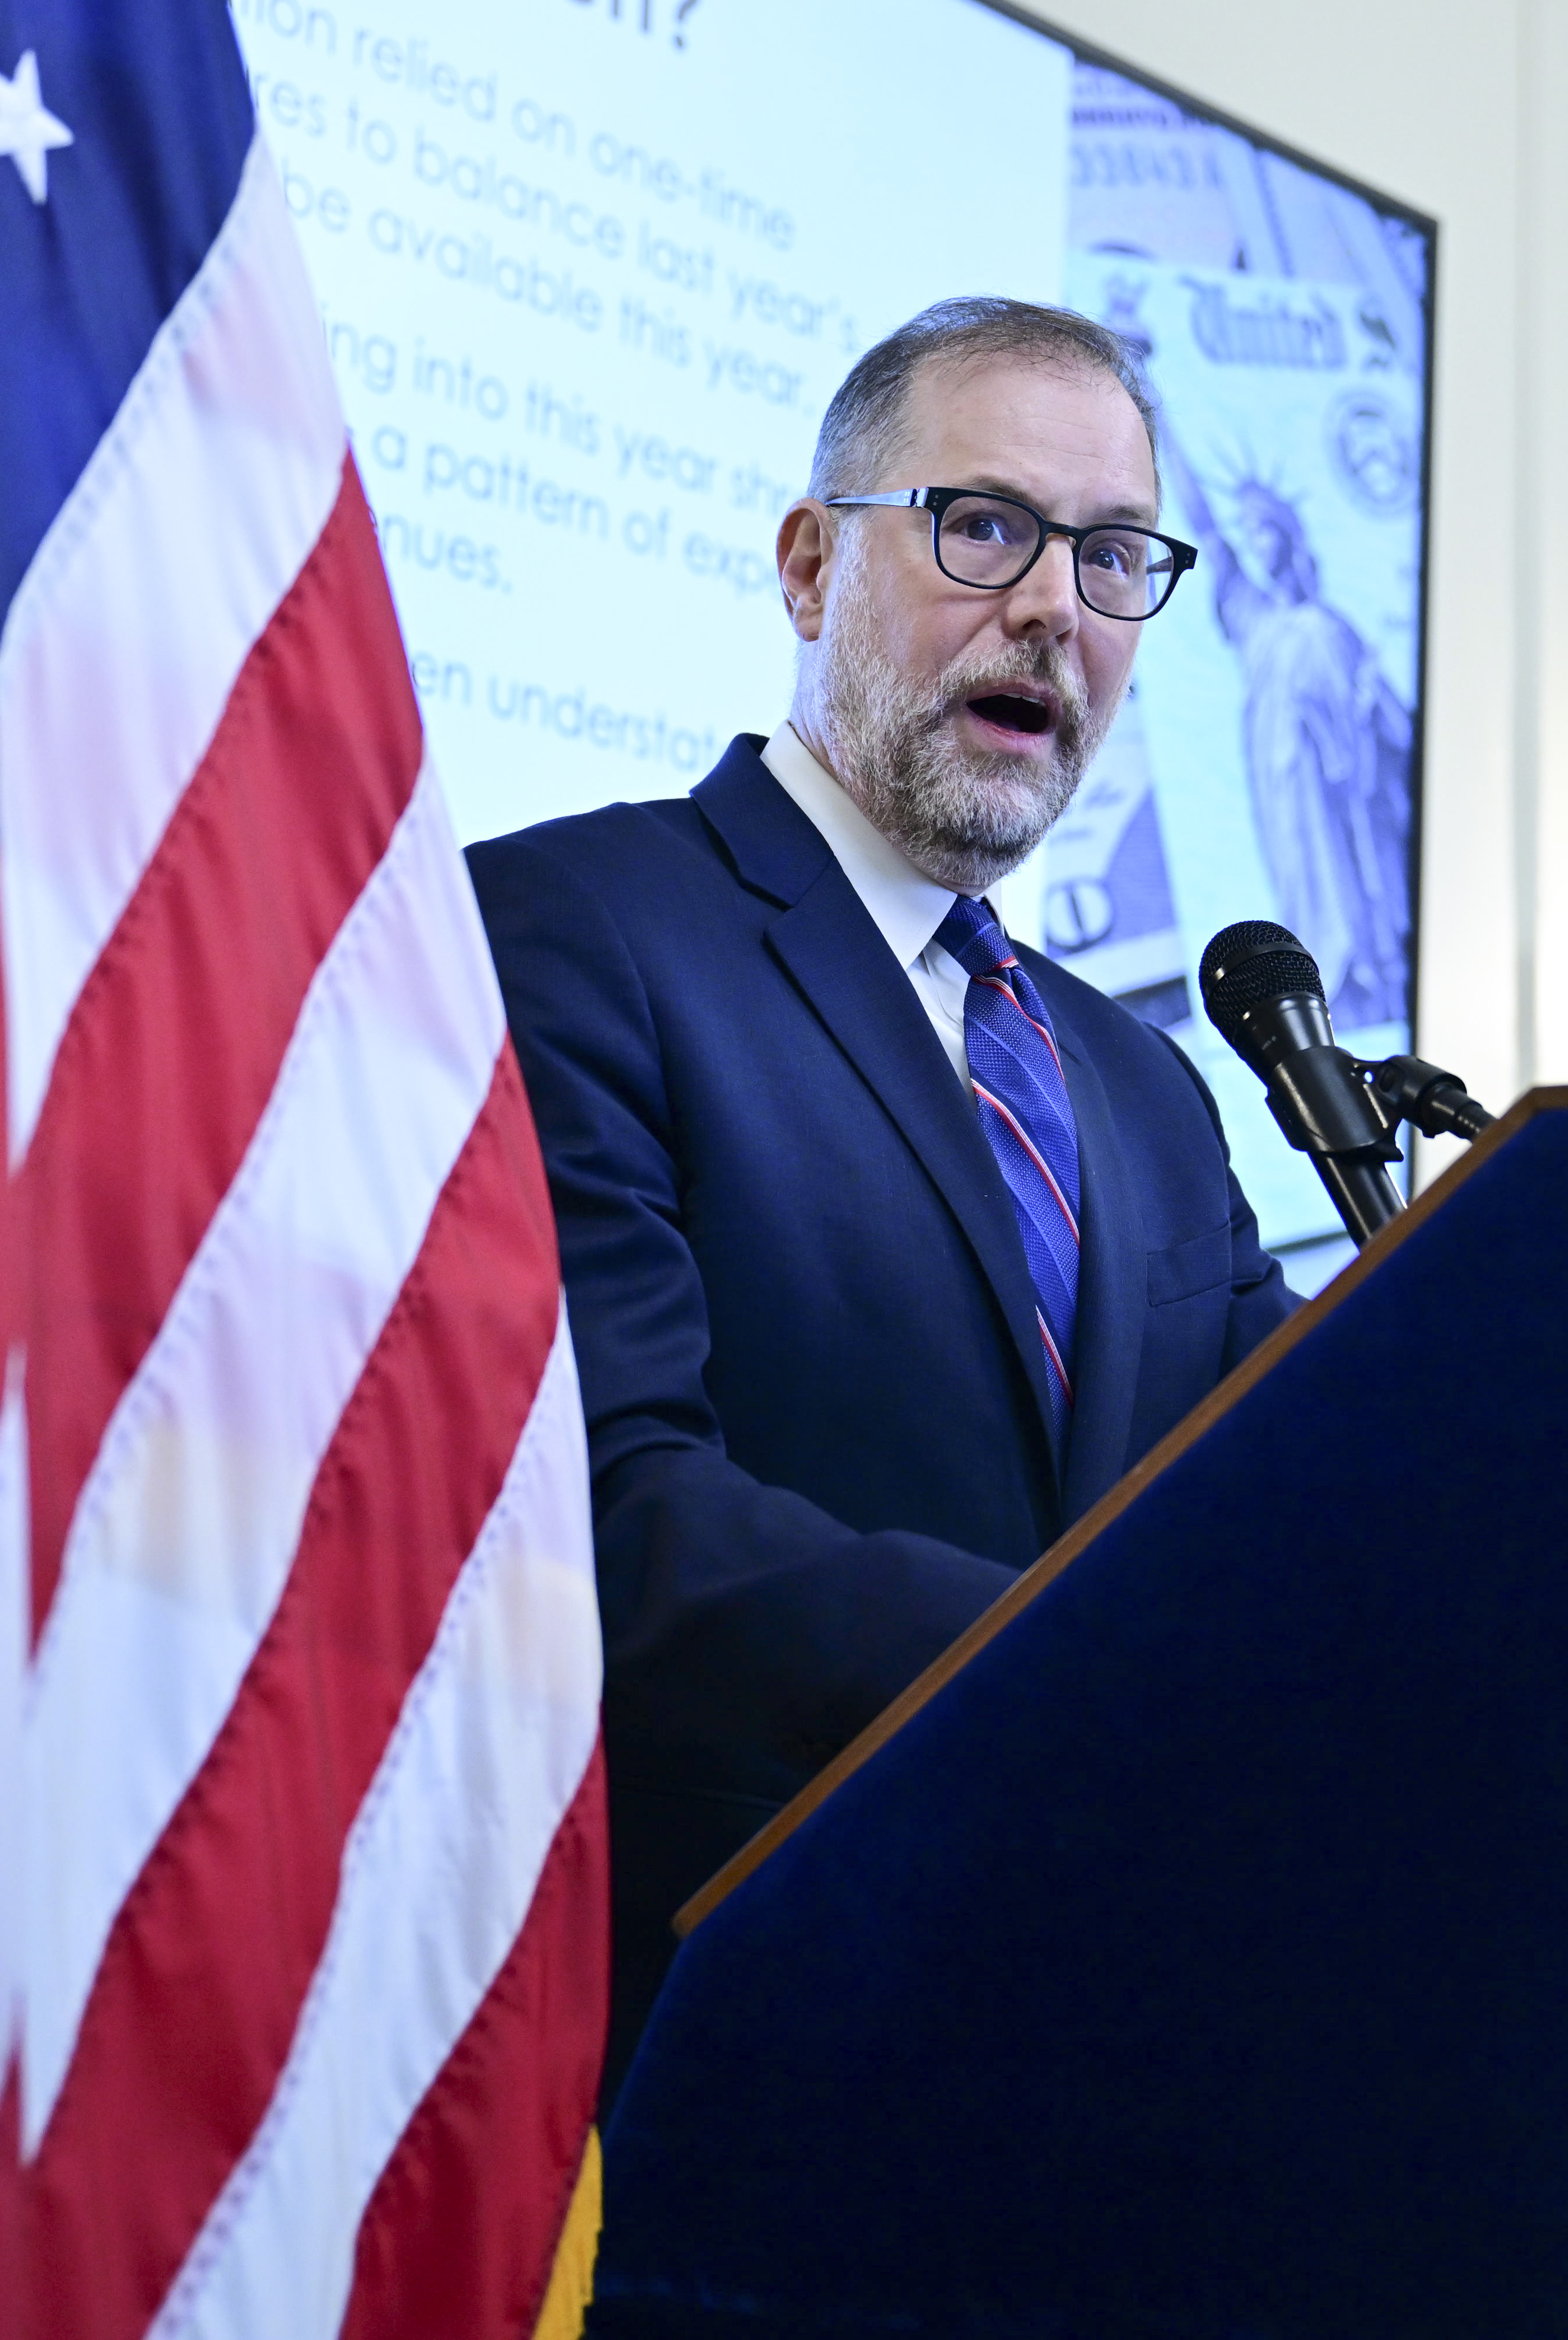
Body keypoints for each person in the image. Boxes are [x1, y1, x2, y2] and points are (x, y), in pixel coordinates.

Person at [466, 297, 1298, 2098]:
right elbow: (607, 1513)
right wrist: (1079, 1669)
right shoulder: (573, 931)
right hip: (716, 2059)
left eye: (1113, 556)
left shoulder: (1148, 1087)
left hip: (1121, 2070)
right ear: (806, 564)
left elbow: (1301, 1495)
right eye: (984, 526)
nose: (1054, 608)